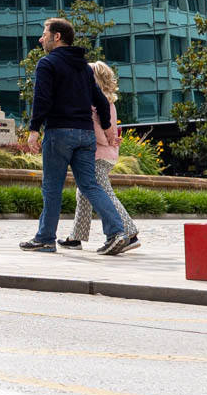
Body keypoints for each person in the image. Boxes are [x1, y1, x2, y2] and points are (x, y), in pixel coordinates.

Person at [20, 18, 130, 256]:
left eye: (44, 33)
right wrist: (109, 126)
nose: (41, 38)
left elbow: (42, 99)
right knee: (90, 185)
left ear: (56, 36)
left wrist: (33, 130)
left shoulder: (47, 64)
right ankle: (117, 232)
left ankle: (45, 238)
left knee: (52, 188)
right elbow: (100, 101)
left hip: (60, 132)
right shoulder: (82, 66)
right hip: (86, 135)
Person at [60, 62, 140, 253]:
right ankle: (76, 237)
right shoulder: (109, 101)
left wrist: (106, 140)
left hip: (97, 154)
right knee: (84, 193)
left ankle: (129, 232)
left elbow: (98, 132)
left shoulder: (94, 103)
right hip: (107, 155)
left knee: (103, 194)